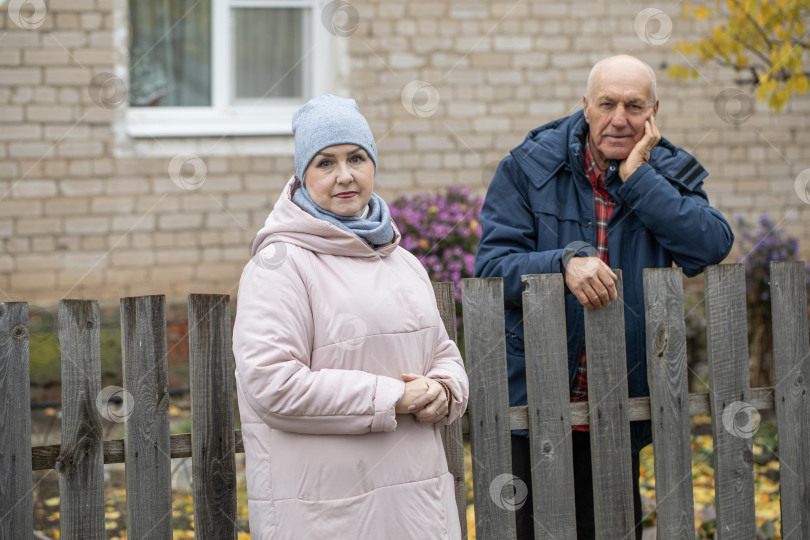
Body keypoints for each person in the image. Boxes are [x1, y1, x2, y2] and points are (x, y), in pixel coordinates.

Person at [474, 55, 734, 539]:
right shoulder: (529, 167)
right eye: (607, 103)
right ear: (586, 106)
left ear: (654, 111)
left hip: (619, 399)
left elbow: (710, 246)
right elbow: (491, 268)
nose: (619, 119)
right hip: (535, 399)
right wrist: (562, 264)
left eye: (634, 106)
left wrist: (639, 180)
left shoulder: (665, 169)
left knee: (611, 530)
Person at [232, 94, 469, 540]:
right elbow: (272, 384)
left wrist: (445, 390)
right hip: (327, 514)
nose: (345, 175)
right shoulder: (280, 265)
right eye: (326, 162)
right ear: (302, 175)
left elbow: (443, 352)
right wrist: (392, 397)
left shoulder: (403, 262)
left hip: (418, 509)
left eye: (356, 158)